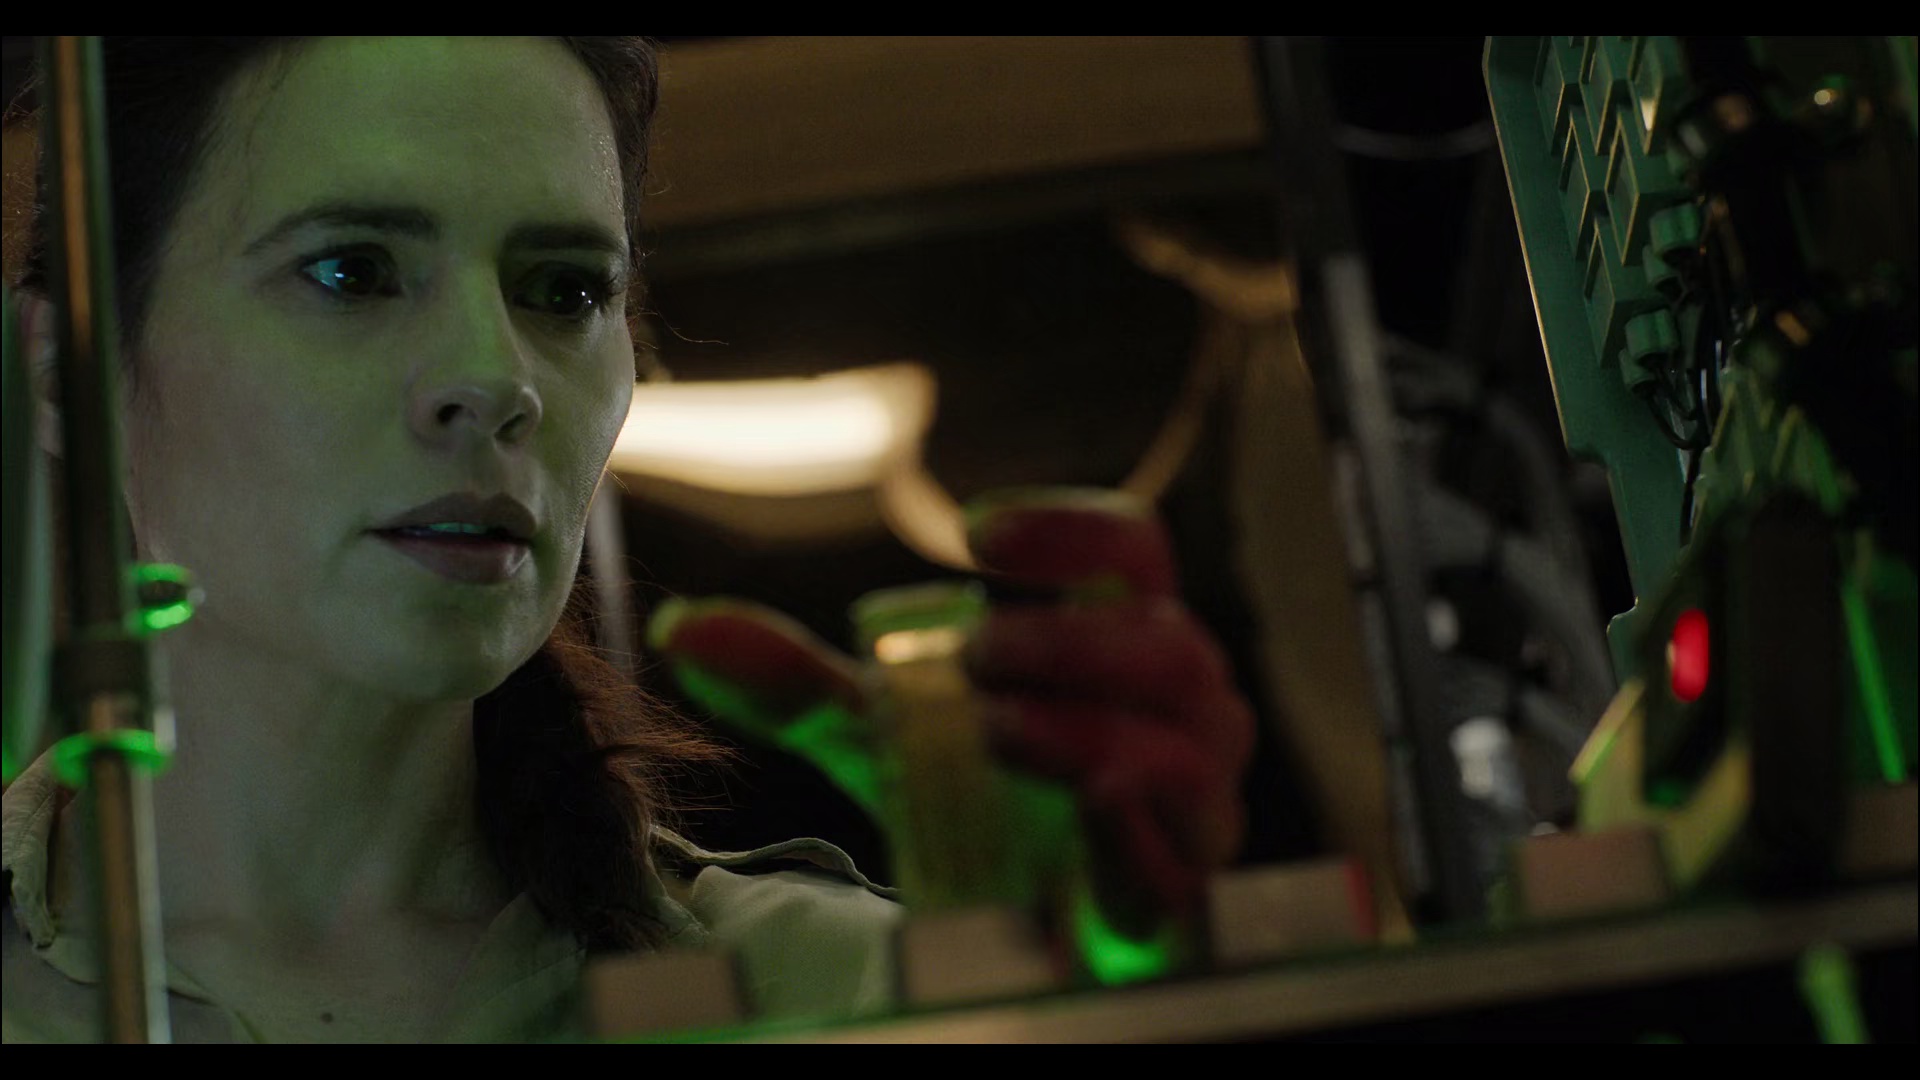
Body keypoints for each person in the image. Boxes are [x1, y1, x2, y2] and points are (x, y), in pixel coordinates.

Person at [0, 37, 1257, 1043]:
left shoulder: (828, 995)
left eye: (565, 290)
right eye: (351, 271)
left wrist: (1118, 991)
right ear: (71, 368)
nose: (495, 379)